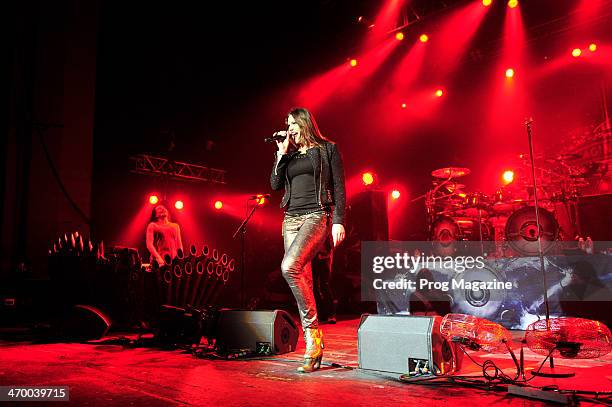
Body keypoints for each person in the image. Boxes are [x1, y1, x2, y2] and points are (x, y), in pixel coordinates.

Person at [270, 107, 346, 373]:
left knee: (288, 266)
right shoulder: (288, 155)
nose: (288, 128)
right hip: (290, 219)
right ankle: (314, 350)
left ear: (304, 123)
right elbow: (274, 184)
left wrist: (338, 220)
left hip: (316, 216)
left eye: (292, 123)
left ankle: (312, 334)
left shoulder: (327, 149)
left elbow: (338, 186)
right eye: (286, 124)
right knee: (303, 277)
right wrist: (281, 153)